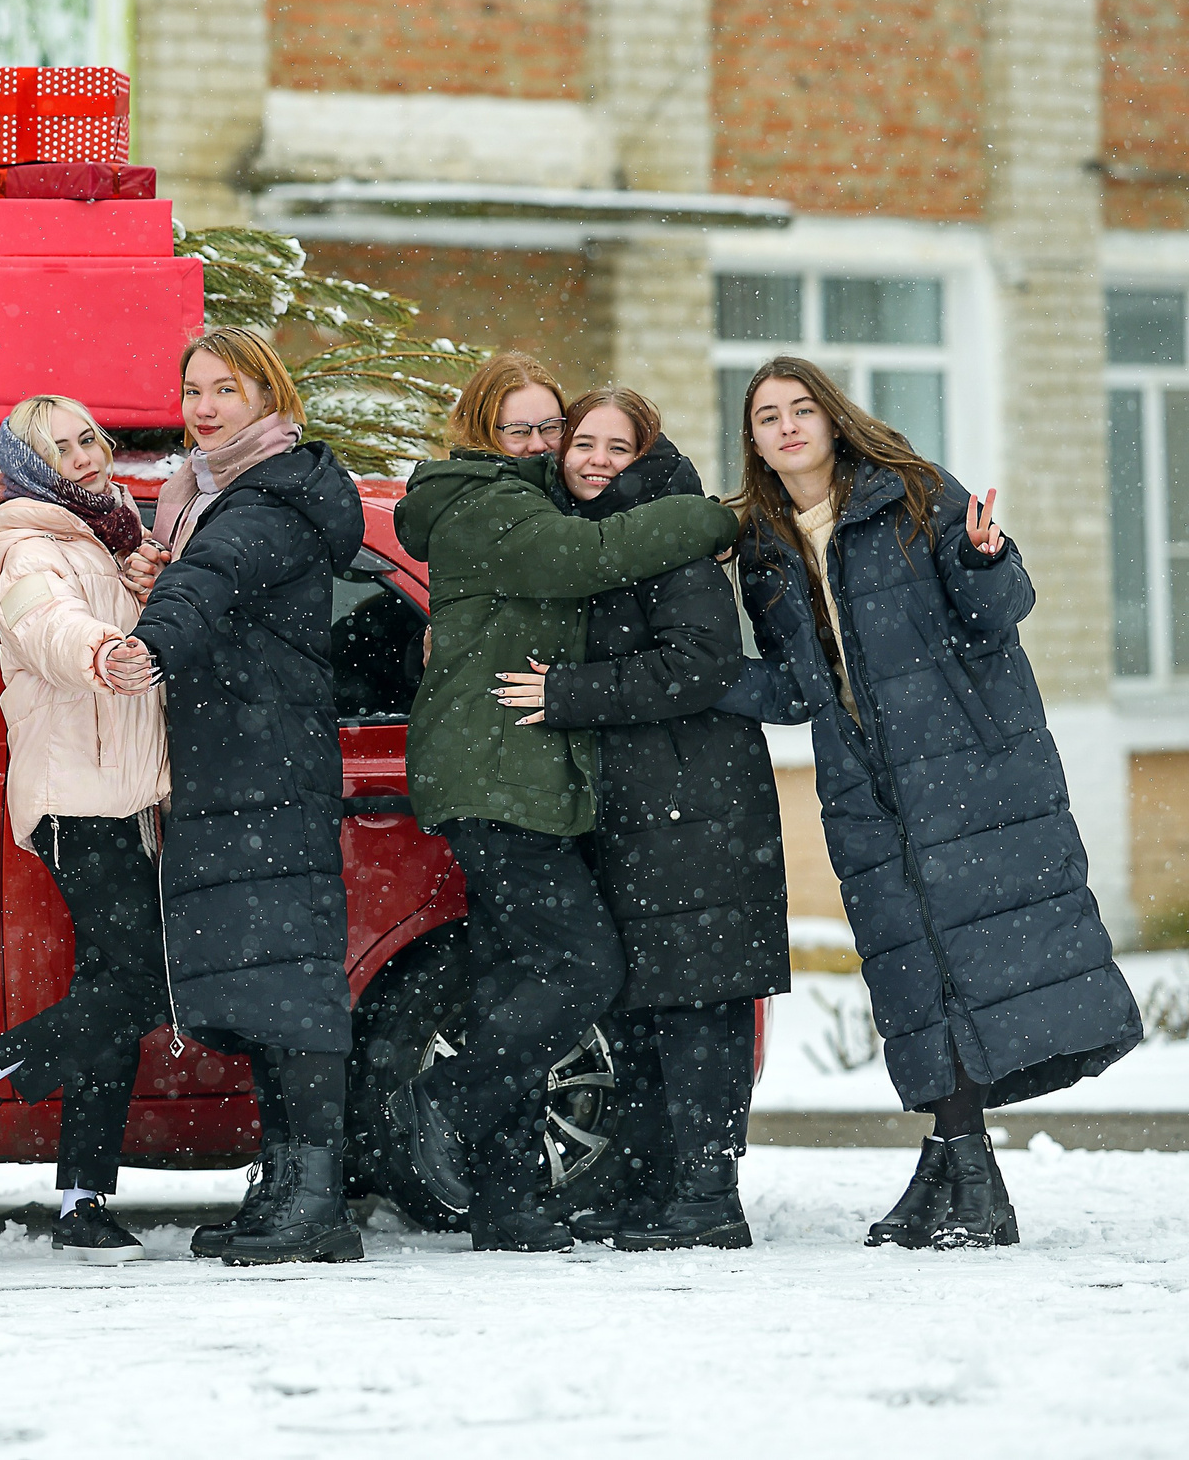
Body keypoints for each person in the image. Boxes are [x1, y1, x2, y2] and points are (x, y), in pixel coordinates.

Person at [721, 356, 1141, 1249]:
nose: (788, 426)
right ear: (753, 440)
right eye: (768, 417)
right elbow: (800, 684)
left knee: (968, 962)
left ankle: (973, 1184)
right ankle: (953, 1166)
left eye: (803, 409)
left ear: (833, 419)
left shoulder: (912, 492)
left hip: (968, 769)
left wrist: (989, 555)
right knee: (915, 975)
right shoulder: (763, 545)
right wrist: (698, 683)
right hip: (866, 787)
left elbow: (998, 610)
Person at [384, 352, 739, 1252]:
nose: (544, 444)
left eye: (554, 427)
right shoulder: (492, 506)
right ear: (483, 433)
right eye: (526, 430)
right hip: (499, 779)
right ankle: (448, 1096)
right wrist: (715, 514)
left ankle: (506, 1201)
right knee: (585, 968)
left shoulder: (516, 497)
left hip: (521, 775)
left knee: (512, 977)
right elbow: (598, 556)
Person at [87, 328, 367, 1266]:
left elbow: (210, 582)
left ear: (266, 396)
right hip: (231, 767)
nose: (205, 407)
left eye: (226, 389)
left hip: (270, 766)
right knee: (260, 985)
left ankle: (318, 1197)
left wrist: (153, 640)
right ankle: (285, 1182)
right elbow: (196, 573)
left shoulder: (271, 498)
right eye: (193, 389)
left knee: (290, 986)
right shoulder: (202, 498)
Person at [489, 388, 787, 1251]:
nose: (595, 460)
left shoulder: (663, 538)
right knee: (651, 1004)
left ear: (646, 456)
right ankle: (662, 1185)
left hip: (700, 805)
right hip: (642, 804)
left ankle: (709, 1194)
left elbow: (701, 661)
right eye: (583, 442)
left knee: (701, 1004)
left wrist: (568, 694)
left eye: (617, 447)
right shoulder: (590, 540)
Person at [0, 396, 171, 1267]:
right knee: (146, 982)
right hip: (79, 798)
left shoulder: (114, 532)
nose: (85, 457)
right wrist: (104, 648)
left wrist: (145, 584)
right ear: (29, 465)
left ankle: (81, 1197)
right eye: (60, 448)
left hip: (132, 793)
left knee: (110, 992)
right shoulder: (22, 546)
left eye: (88, 439)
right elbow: (48, 627)